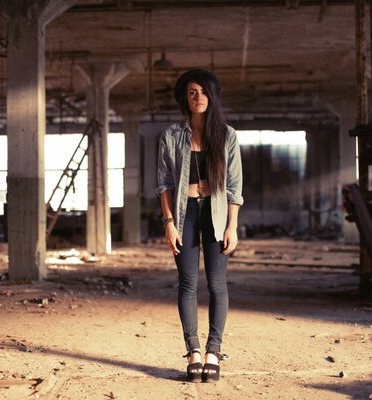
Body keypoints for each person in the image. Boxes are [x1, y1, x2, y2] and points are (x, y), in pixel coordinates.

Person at [156, 69, 243, 383]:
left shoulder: (227, 136)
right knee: (187, 283)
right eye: (192, 92)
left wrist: (232, 226)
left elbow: (234, 188)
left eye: (204, 92)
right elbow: (164, 184)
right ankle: (193, 351)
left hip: (216, 214)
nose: (198, 98)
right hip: (184, 214)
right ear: (185, 97)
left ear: (212, 96)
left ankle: (213, 352)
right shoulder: (171, 136)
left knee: (217, 285)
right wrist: (169, 222)